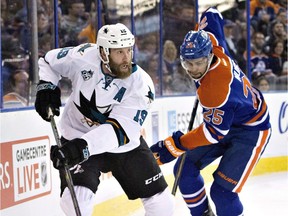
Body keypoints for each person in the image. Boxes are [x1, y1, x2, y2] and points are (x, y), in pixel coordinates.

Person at [34, 23, 174, 216]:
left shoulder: (141, 85)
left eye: (128, 51)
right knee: (76, 204)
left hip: (123, 146)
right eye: (119, 52)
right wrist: (46, 87)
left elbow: (118, 132)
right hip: (77, 132)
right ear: (103, 52)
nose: (127, 59)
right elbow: (48, 61)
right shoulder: (82, 56)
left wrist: (79, 148)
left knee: (163, 206)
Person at [150, 7, 271, 216]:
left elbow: (213, 133)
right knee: (184, 169)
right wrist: (199, 31)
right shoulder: (211, 41)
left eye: (198, 63)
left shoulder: (215, 88)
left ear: (208, 56)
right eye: (188, 63)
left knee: (223, 193)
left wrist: (175, 145)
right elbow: (213, 12)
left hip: (251, 130)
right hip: (230, 117)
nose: (194, 69)